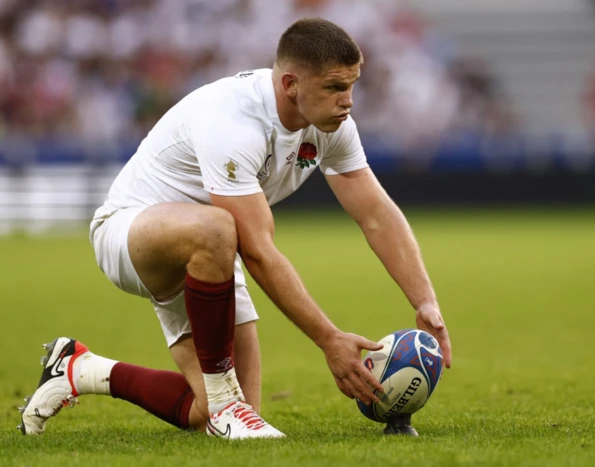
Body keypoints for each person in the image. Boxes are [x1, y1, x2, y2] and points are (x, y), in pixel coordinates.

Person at [18, 17, 452, 440]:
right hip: (129, 232)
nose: (348, 100)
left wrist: (426, 301)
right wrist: (329, 340)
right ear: (290, 85)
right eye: (336, 87)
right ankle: (227, 403)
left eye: (352, 85)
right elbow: (258, 249)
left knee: (216, 411)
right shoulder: (235, 119)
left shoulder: (332, 126)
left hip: (209, 256)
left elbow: (375, 213)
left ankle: (79, 369)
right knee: (220, 229)